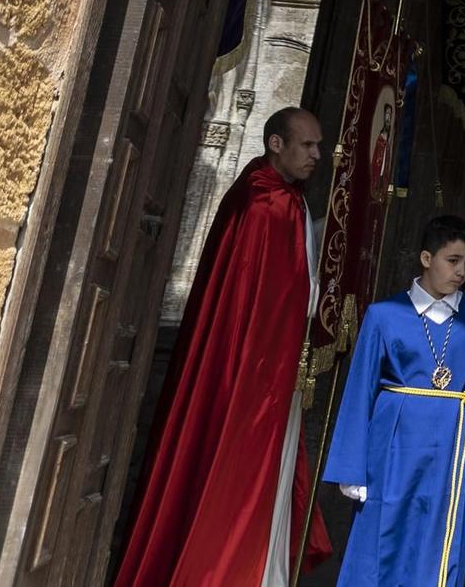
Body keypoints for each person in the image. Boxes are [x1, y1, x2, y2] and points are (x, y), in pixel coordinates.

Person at [114, 107, 332, 586]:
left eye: (319, 145)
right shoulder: (262, 204)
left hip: (273, 370)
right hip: (253, 374)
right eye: (307, 145)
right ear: (276, 144)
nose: (318, 154)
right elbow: (254, 305)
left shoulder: (284, 199)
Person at [324, 213, 465, 586]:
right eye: (453, 260)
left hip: (454, 446)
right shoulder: (384, 315)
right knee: (383, 531)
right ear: (427, 259)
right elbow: (360, 389)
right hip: (393, 444)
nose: (461, 271)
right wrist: (350, 466)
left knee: (442, 534)